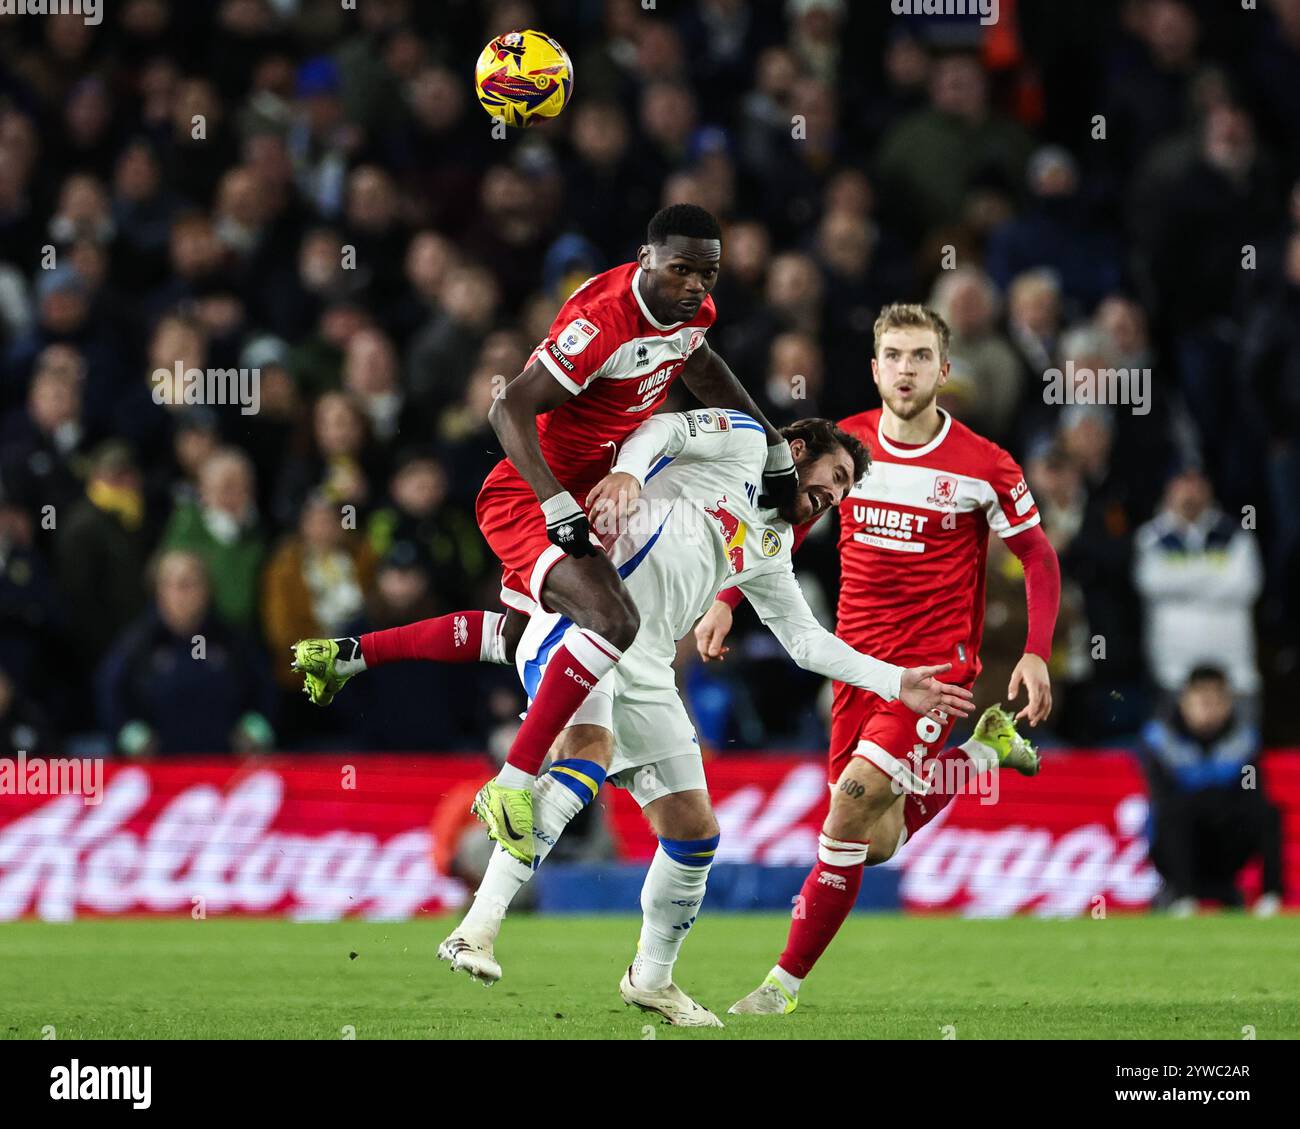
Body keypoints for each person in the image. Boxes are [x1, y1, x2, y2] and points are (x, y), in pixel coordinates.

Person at [291, 204, 799, 860]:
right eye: (682, 269)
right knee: (614, 621)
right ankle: (511, 783)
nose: (697, 285)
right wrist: (556, 502)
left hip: (591, 494)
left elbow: (699, 366)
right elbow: (508, 406)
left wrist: (773, 445)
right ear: (647, 261)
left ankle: (350, 654)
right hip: (530, 496)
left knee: (518, 637)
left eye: (710, 272)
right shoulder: (602, 323)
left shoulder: (690, 314)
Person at [436, 411, 974, 1025]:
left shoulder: (769, 544)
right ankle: (477, 929)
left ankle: (651, 979)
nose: (837, 495)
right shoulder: (742, 444)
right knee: (586, 752)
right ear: (796, 449)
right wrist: (631, 475)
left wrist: (895, 681)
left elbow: (804, 642)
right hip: (584, 622)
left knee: (694, 834)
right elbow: (665, 429)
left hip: (649, 666)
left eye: (847, 490)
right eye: (837, 475)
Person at [701, 304, 1060, 1015]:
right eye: (893, 355)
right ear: (874, 367)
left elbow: (1037, 554)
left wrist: (1037, 653)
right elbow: (789, 524)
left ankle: (781, 986)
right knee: (876, 841)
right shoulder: (846, 446)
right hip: (855, 666)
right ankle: (985, 754)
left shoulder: (985, 466)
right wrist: (728, 600)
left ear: (944, 369)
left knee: (848, 812)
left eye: (920, 356)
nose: (906, 368)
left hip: (933, 674)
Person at [1139, 666, 1283, 917]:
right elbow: (1162, 798)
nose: (1209, 708)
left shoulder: (1243, 743)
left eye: (1217, 700)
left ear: (1229, 703)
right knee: (1174, 813)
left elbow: (1252, 796)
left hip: (1226, 845)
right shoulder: (1161, 740)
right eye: (1202, 700)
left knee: (1268, 813)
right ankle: (1183, 899)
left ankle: (1272, 898)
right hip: (1178, 848)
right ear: (1184, 701)